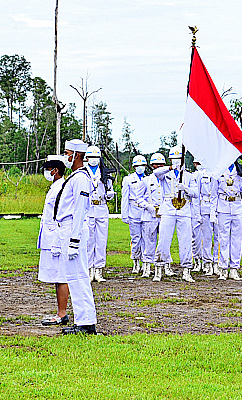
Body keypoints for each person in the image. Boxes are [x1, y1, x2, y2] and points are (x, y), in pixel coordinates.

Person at [54, 139, 97, 335]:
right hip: (68, 228)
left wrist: (74, 239)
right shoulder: (76, 177)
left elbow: (80, 210)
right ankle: (83, 320)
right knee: (74, 276)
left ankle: (86, 323)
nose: (66, 156)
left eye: (67, 152)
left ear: (77, 155)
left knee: (79, 276)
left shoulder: (81, 178)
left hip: (74, 228)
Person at [152, 146, 199, 282]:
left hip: (184, 209)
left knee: (185, 240)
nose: (177, 161)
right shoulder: (166, 174)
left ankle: (186, 270)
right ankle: (159, 268)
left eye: (179, 159)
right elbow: (156, 173)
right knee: (164, 240)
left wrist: (186, 189)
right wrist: (171, 168)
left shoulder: (189, 176)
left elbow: (196, 193)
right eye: (174, 159)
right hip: (168, 209)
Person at [37, 155, 70, 326]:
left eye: (48, 170)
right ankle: (60, 312)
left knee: (61, 275)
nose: (46, 173)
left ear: (55, 171)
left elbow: (60, 216)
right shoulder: (55, 187)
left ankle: (62, 313)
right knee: (57, 276)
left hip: (57, 237)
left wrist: (58, 241)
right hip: (50, 237)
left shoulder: (61, 188)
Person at [210, 162, 242, 280]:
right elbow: (214, 194)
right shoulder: (219, 172)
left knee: (237, 239)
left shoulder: (241, 172)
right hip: (223, 207)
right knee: (223, 239)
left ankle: (234, 268)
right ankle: (223, 269)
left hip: (237, 207)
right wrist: (213, 212)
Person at [85, 146, 115, 283]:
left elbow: (110, 189)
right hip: (89, 207)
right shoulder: (83, 172)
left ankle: (99, 270)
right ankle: (89, 269)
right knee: (89, 240)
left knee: (101, 240)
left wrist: (110, 195)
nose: (94, 160)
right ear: (87, 158)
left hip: (101, 207)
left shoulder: (104, 172)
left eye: (96, 157)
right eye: (91, 157)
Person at [121, 155, 149, 275]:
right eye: (137, 166)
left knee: (147, 239)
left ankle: (145, 263)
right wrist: (124, 214)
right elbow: (125, 197)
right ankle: (135, 262)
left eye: (142, 165)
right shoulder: (128, 179)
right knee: (136, 239)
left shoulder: (148, 179)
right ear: (134, 167)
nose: (140, 168)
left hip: (146, 212)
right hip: (133, 212)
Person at [141, 153, 166, 279]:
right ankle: (146, 267)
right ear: (151, 165)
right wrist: (148, 207)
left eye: (161, 164)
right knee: (149, 242)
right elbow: (138, 198)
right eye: (156, 164)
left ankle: (164, 267)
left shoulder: (168, 179)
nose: (159, 166)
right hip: (150, 215)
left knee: (163, 241)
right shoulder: (146, 180)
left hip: (164, 214)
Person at [190, 159, 215, 275]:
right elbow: (196, 195)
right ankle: (201, 261)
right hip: (203, 208)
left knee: (216, 237)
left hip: (215, 207)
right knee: (202, 237)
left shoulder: (215, 172)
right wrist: (197, 213)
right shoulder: (198, 175)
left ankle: (213, 262)